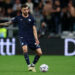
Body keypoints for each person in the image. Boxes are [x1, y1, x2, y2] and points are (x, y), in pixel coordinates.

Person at [0, 4, 42, 72]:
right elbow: (8, 23)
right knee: (25, 49)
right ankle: (29, 66)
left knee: (39, 53)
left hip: (31, 38)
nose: (26, 11)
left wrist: (36, 38)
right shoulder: (18, 18)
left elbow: (34, 29)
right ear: (21, 10)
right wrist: (1, 24)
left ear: (28, 10)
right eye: (24, 9)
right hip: (23, 37)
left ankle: (32, 65)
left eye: (27, 9)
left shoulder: (31, 18)